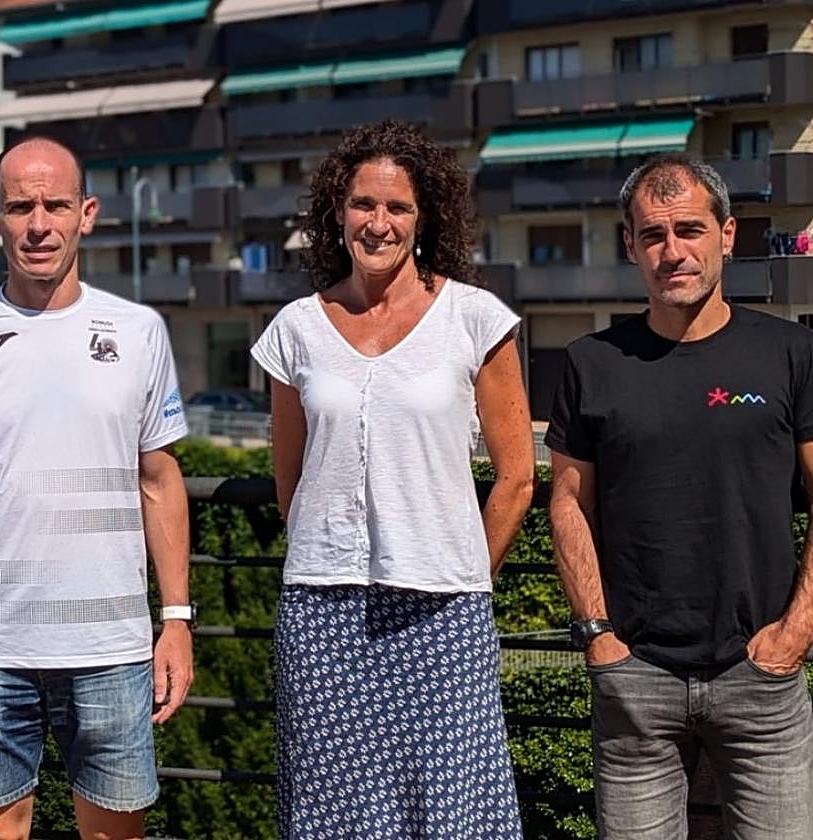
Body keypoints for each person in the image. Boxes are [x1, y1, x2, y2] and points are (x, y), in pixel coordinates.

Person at [0, 136, 193, 840]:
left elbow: (159, 478)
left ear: (85, 213)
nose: (38, 224)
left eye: (55, 205)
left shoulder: (139, 331)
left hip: (113, 651)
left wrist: (176, 619)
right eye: (20, 206)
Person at [250, 119, 535, 838]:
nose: (378, 223)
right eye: (363, 205)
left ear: (424, 216)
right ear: (337, 214)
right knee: (333, 812)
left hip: (443, 613)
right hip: (322, 613)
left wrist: (470, 569)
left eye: (397, 207)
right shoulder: (296, 329)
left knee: (451, 810)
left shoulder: (475, 318)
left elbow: (518, 477)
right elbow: (292, 481)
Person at [547, 154, 813, 839]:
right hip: (635, 679)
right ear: (630, 246)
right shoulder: (589, 363)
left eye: (690, 230)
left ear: (727, 235)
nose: (674, 252)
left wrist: (796, 634)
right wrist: (597, 636)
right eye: (654, 235)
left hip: (762, 673)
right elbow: (569, 502)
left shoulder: (791, 354)